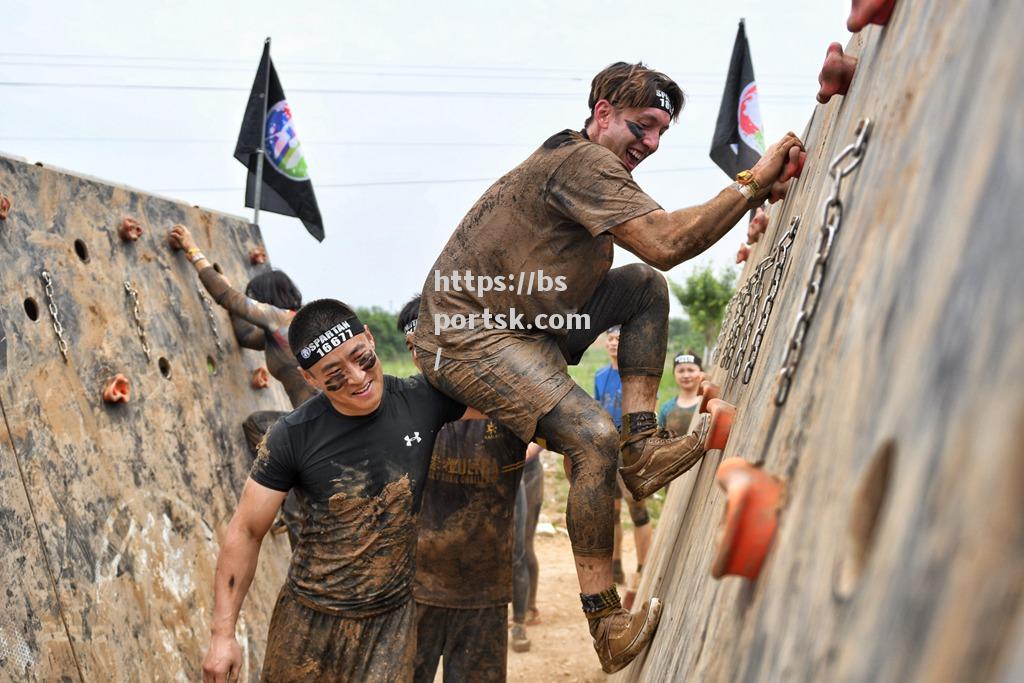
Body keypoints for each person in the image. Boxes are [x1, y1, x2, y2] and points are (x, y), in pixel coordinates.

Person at [413, 61, 803, 672]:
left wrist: (750, 193)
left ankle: (642, 448)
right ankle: (607, 623)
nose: (648, 145)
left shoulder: (591, 167)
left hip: (532, 322)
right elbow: (669, 241)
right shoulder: (584, 162)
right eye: (641, 127)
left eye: (659, 136)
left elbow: (657, 254)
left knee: (642, 287)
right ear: (601, 114)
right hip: (469, 335)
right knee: (593, 438)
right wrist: (753, 180)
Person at [201, 299, 470, 683]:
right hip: (309, 621)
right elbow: (246, 530)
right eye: (334, 376)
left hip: (389, 625)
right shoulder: (291, 436)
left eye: (362, 359)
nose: (357, 379)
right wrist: (222, 635)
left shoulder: (421, 400)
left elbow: (505, 398)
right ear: (309, 379)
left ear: (370, 339)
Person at [396, 296, 529, 683]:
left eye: (432, 341)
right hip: (413, 591)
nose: (422, 355)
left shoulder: (508, 403)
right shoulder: (401, 405)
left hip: (483, 593)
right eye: (412, 347)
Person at [169, 223, 309, 546]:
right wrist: (235, 307)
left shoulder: (280, 319)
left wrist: (193, 251)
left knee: (263, 430)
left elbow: (225, 297)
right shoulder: (293, 329)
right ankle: (285, 501)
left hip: (316, 426)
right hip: (317, 422)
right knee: (263, 428)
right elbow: (247, 336)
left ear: (265, 300)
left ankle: (280, 500)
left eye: (253, 302)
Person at [594, 326, 653, 588]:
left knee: (637, 507)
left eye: (620, 339)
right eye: (611, 339)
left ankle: (644, 567)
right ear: (606, 344)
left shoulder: (637, 376)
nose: (615, 343)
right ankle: (615, 568)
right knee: (612, 512)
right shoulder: (599, 376)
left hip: (632, 449)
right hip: (608, 449)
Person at [510, 441, 544, 652]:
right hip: (501, 468)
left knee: (523, 544)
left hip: (528, 472)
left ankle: (527, 610)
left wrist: (525, 452)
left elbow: (542, 431)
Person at [658, 352, 704, 435]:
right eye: (681, 371)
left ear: (701, 373)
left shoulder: (708, 405)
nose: (686, 375)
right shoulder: (666, 408)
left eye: (691, 370)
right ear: (674, 374)